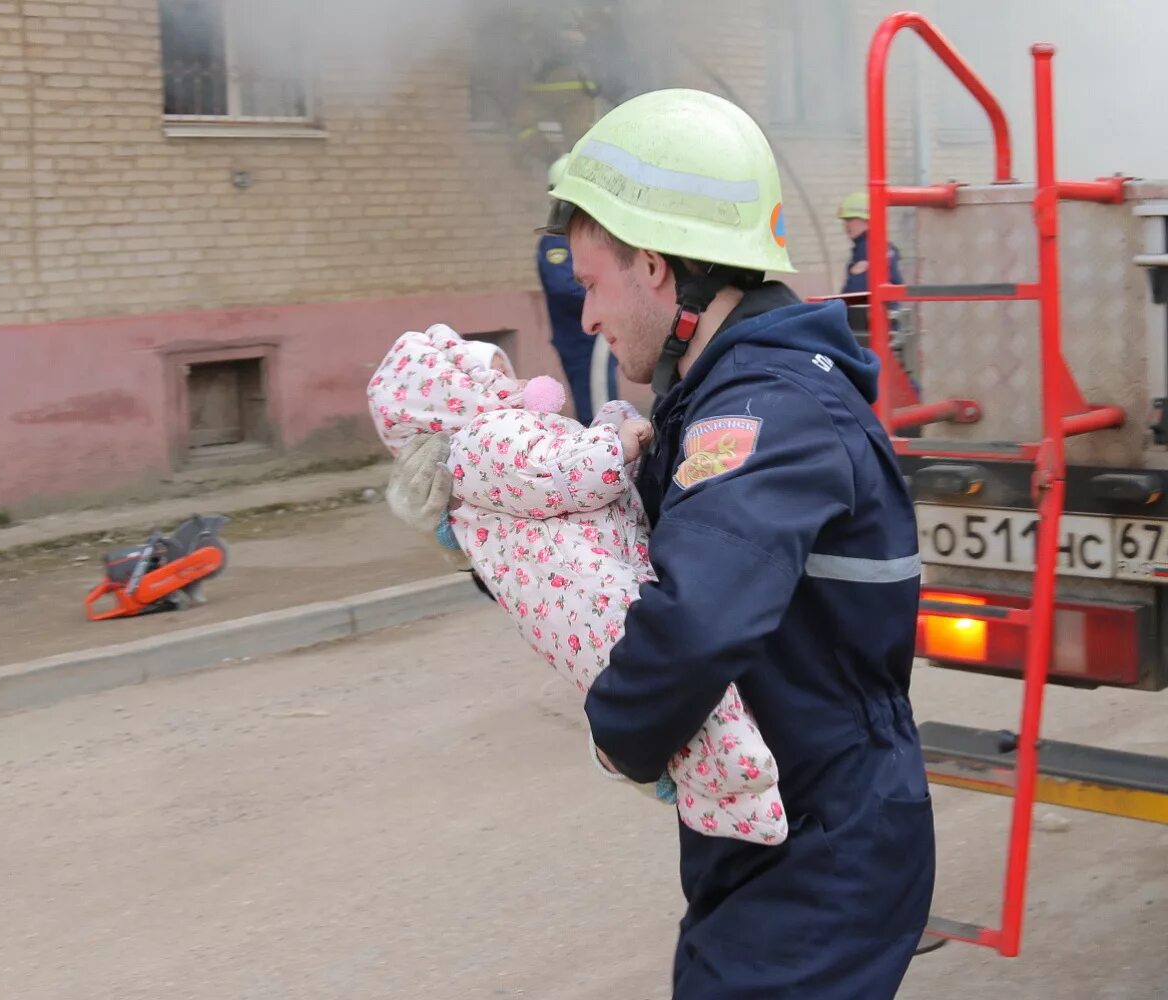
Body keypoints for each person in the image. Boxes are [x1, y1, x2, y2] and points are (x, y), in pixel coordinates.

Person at [387, 89, 934, 998]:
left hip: (825, 850)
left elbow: (689, 623)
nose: (587, 318)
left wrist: (621, 739)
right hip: (776, 835)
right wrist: (484, 533)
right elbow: (612, 555)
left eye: (591, 284)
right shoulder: (717, 400)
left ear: (654, 268)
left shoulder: (767, 415)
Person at [367, 324, 788, 846]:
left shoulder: (493, 439)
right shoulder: (483, 439)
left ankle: (721, 797)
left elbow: (560, 460)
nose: (516, 378)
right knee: (686, 685)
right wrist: (618, 444)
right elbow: (559, 474)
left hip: (582, 588)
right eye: (498, 372)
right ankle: (739, 799)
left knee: (676, 693)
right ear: (460, 392)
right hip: (585, 589)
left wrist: (608, 424)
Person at [537, 155, 619, 425]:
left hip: (594, 338)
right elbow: (565, 288)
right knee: (598, 408)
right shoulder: (556, 243)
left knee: (604, 400)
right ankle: (605, 456)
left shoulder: (579, 237)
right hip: (581, 340)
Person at [838, 190, 903, 297]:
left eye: (850, 219)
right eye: (844, 220)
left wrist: (855, 275)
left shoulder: (868, 248)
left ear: (868, 220)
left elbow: (856, 294)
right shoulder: (882, 246)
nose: (846, 225)